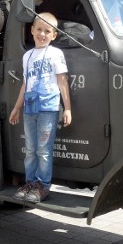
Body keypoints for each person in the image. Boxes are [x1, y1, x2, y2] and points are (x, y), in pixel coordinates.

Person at [9, 12, 72, 203]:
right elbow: (25, 84)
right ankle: (30, 183)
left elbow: (62, 81)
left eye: (47, 31)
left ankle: (43, 186)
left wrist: (67, 108)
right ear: (32, 31)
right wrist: (17, 107)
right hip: (30, 108)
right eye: (39, 30)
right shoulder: (27, 56)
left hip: (48, 108)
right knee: (30, 149)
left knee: (43, 150)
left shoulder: (55, 53)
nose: (42, 34)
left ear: (54, 35)